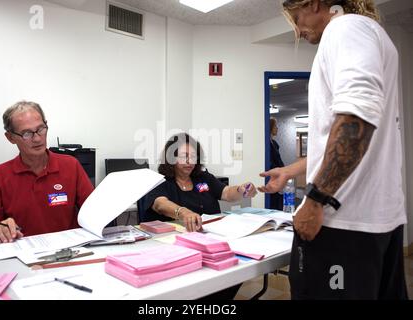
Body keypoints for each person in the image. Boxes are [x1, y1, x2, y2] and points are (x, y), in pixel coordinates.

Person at [258, 0, 408, 299]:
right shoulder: (374, 35)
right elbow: (347, 136)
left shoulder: (344, 28)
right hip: (378, 220)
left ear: (314, 4)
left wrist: (315, 200)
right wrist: (290, 170)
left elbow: (356, 120)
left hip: (342, 221)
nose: (299, 31)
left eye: (298, 18)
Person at [0, 101, 94, 243]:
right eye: (27, 133)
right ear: (10, 138)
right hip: (22, 256)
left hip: (67, 253)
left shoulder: (71, 165)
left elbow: (93, 213)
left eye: (41, 129)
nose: (38, 138)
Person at [142, 132, 257, 232]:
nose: (189, 161)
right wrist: (183, 213)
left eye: (193, 156)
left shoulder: (203, 177)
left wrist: (240, 190)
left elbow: (226, 192)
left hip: (211, 234)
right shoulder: (160, 181)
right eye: (184, 156)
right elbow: (160, 204)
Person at [269, 118, 285, 210]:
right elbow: (270, 162)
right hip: (273, 177)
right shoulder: (266, 144)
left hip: (280, 176)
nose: (277, 128)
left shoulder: (274, 143)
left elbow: (279, 160)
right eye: (275, 126)